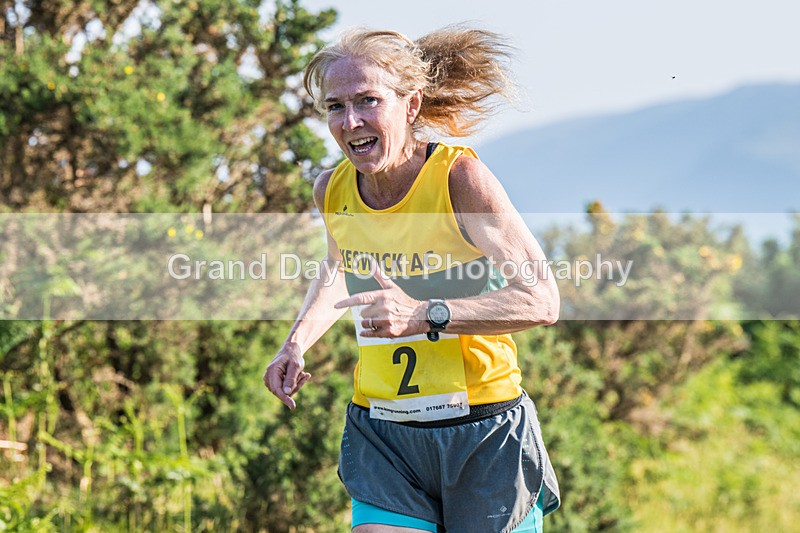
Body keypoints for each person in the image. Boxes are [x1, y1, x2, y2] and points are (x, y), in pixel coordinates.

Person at [265, 26, 561, 533]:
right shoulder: (332, 190)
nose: (350, 120)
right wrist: (295, 343)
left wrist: (424, 314)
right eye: (335, 106)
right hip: (384, 432)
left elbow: (542, 300)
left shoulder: (458, 179)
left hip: (482, 431)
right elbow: (340, 269)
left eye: (368, 101)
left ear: (410, 105)